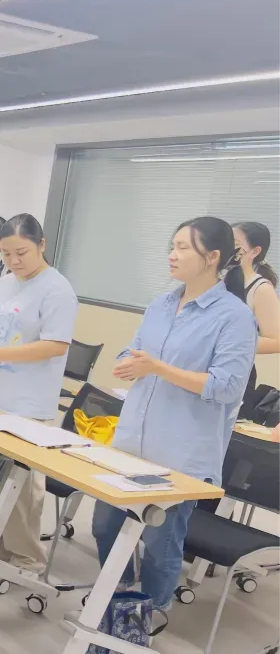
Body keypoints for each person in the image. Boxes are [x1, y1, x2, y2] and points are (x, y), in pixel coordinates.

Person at [94, 217, 256, 611]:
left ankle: (151, 617)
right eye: (173, 245)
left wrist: (159, 368)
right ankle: (120, 603)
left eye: (183, 248)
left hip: (180, 455)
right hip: (132, 444)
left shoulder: (234, 317)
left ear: (212, 257)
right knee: (104, 526)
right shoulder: (161, 304)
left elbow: (227, 387)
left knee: (160, 544)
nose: (172, 254)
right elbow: (135, 350)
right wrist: (129, 362)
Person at [0, 214, 78, 576]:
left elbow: (56, 345)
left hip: (29, 404)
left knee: (24, 492)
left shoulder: (57, 289)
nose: (14, 261)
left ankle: (28, 561)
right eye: (7, 254)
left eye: (22, 253)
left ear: (41, 245)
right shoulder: (4, 284)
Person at [233, 221, 279, 404]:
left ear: (255, 251)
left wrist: (227, 342)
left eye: (235, 245)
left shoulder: (261, 288)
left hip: (235, 373)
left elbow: (276, 341)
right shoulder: (216, 281)